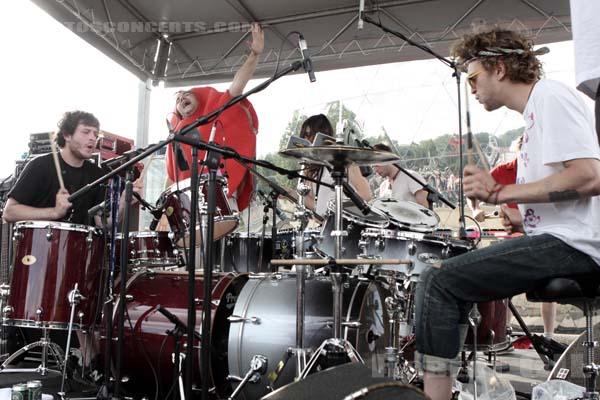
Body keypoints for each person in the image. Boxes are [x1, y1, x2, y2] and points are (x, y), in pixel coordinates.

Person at [414, 28, 600, 400]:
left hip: (576, 245)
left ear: (499, 68)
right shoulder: (535, 111)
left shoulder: (549, 95)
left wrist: (501, 192)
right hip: (562, 238)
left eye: (473, 75)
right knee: (449, 281)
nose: (470, 86)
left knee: (438, 282)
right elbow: (565, 188)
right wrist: (522, 215)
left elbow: (589, 176)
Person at [3, 110, 141, 383]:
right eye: (86, 132)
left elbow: (105, 223)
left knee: (93, 305)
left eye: (96, 134)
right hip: (39, 258)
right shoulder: (42, 166)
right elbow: (9, 211)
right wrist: (53, 213)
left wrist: (125, 202)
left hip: (80, 259)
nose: (93, 139)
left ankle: (93, 368)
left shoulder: (96, 174)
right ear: (67, 135)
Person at [163, 23, 263, 215]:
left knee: (224, 244)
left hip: (222, 198)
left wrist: (255, 55)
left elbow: (237, 85)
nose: (182, 98)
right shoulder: (176, 136)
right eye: (177, 100)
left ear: (198, 97)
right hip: (189, 206)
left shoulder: (216, 108)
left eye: (185, 94)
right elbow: (173, 175)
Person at [297, 114, 372, 217]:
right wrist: (289, 193)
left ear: (322, 133)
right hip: (324, 225)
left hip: (342, 223)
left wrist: (339, 210)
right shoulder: (312, 167)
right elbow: (315, 205)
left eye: (309, 134)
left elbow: (366, 194)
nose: (306, 139)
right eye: (303, 136)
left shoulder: (343, 158)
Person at [371, 143, 429, 208]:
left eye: (376, 164)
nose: (375, 169)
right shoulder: (383, 186)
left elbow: (424, 207)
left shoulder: (411, 176)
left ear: (387, 159)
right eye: (372, 166)